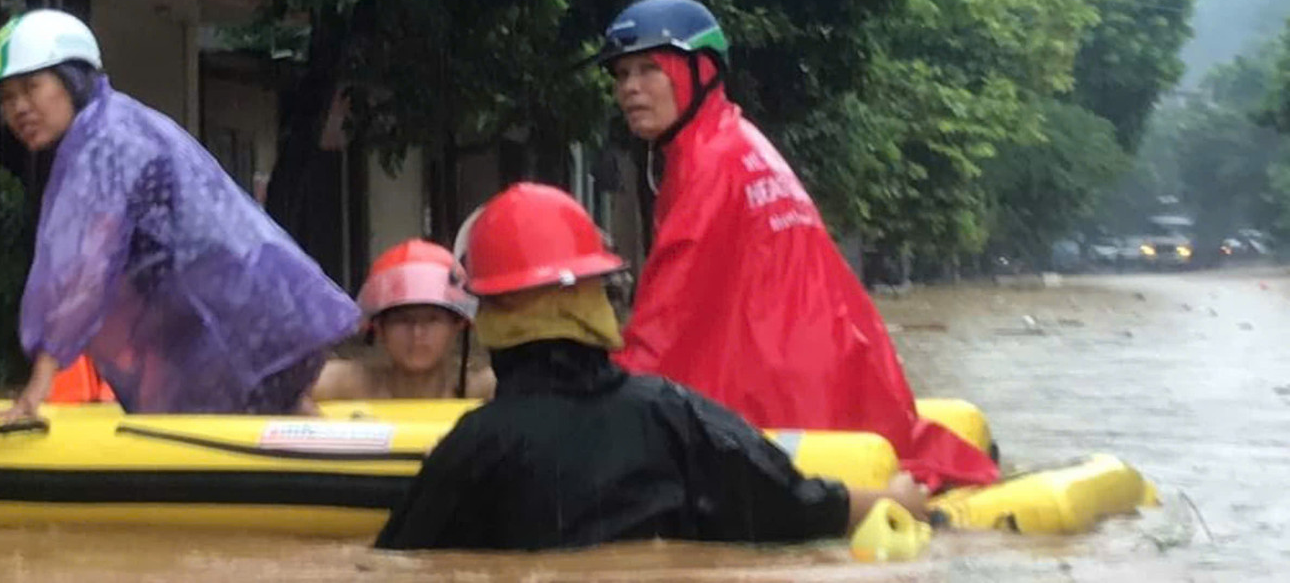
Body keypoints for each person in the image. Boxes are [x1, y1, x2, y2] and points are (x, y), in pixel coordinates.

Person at [374, 183, 929, 551]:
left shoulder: (474, 446)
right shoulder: (674, 414)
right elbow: (795, 505)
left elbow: (394, 558)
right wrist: (898, 499)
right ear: (595, 300)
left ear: (491, 314)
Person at [593, 0, 999, 490]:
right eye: (621, 74)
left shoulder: (709, 166)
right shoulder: (740, 141)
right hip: (842, 374)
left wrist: (588, 390)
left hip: (787, 391)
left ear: (701, 70)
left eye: (649, 69)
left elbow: (664, 326)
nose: (630, 88)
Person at [0, 9, 358, 421]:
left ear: (73, 81)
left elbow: (80, 270)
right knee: (285, 427)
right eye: (7, 97)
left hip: (235, 327)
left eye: (32, 87)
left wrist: (34, 393)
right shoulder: (118, 122)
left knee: (246, 452)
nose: (20, 108)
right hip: (256, 316)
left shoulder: (103, 144)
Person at [311, 239, 495, 400]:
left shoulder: (483, 391)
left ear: (458, 325)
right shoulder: (345, 385)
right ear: (379, 328)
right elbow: (288, 386)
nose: (417, 333)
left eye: (432, 320)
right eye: (402, 320)